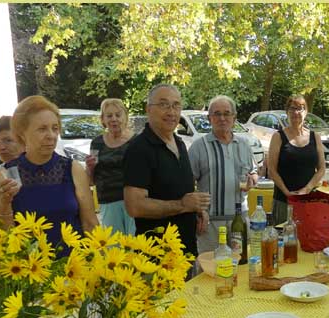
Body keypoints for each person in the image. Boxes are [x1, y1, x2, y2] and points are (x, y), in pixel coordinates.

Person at [0, 96, 98, 251]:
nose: (51, 135)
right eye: (42, 129)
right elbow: (0, 236)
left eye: (55, 128)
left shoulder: (73, 169)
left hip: (73, 262)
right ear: (22, 133)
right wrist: (4, 204)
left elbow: (90, 224)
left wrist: (100, 260)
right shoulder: (5, 174)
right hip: (29, 263)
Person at [123, 84, 210, 260]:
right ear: (148, 109)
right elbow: (135, 206)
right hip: (156, 257)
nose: (171, 112)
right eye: (163, 104)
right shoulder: (139, 149)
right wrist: (183, 205)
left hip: (184, 252)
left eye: (176, 105)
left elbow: (179, 190)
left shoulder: (180, 144)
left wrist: (196, 209)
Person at [189, 95, 257, 253]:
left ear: (234, 118)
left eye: (227, 113)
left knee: (241, 262)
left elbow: (253, 173)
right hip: (210, 224)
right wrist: (198, 211)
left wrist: (252, 181)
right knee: (211, 265)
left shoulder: (244, 145)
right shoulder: (198, 147)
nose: (222, 118)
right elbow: (187, 184)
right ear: (209, 118)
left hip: (240, 220)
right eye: (217, 114)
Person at [268, 94, 326, 224]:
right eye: (292, 108)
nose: (296, 112)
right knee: (283, 235)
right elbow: (272, 170)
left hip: (309, 200)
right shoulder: (278, 137)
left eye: (300, 108)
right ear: (287, 112)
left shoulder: (315, 137)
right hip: (284, 201)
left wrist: (306, 189)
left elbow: (322, 169)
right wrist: (288, 193)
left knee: (308, 234)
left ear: (306, 112)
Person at [85, 98, 136, 235]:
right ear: (103, 119)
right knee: (114, 244)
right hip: (107, 201)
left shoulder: (137, 141)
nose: (114, 119)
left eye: (118, 115)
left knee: (135, 243)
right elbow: (90, 180)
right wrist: (90, 167)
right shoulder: (97, 143)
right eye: (109, 116)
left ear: (125, 117)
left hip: (133, 201)